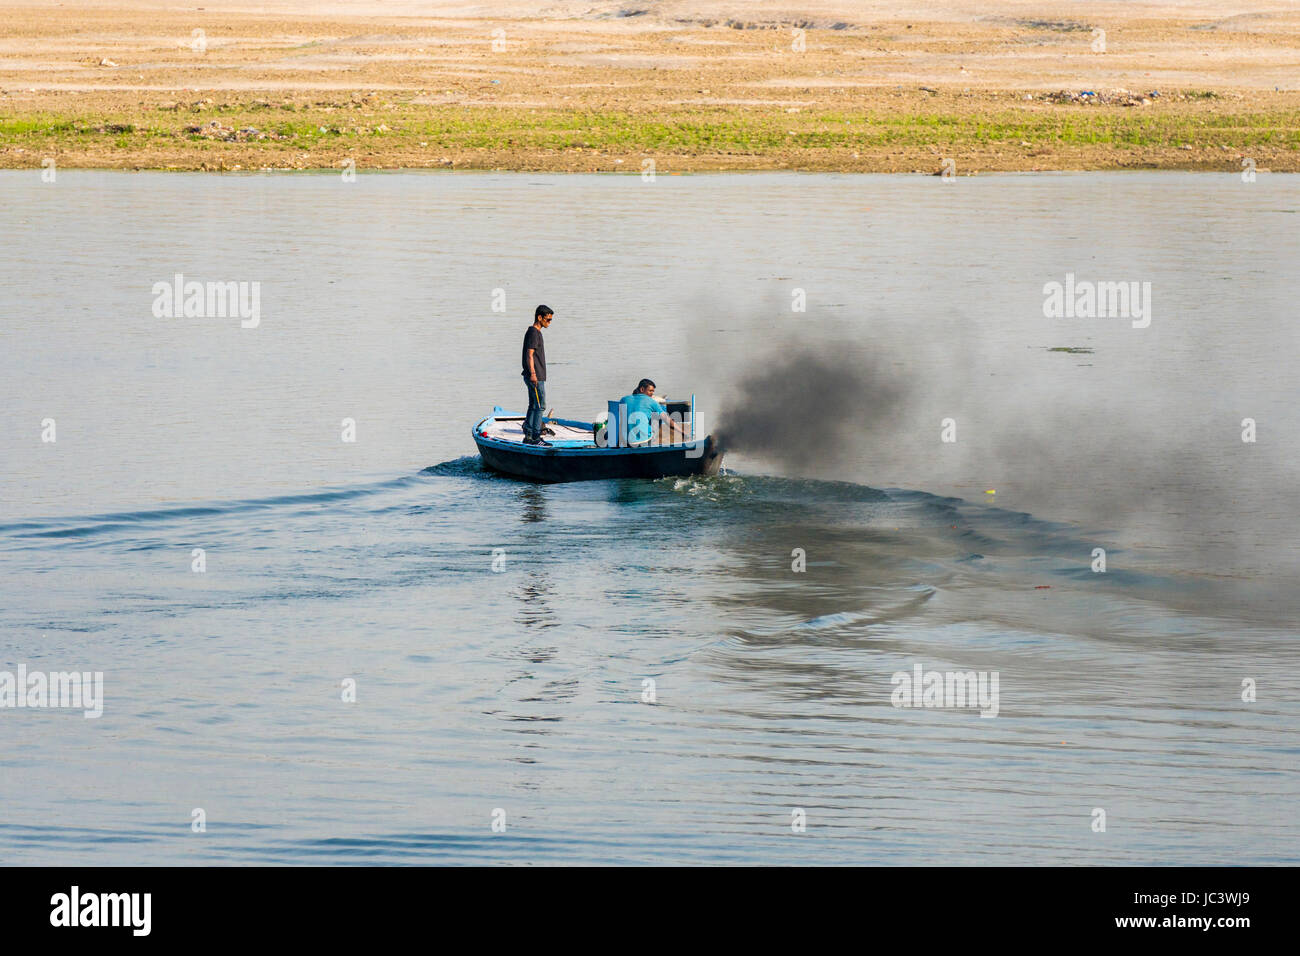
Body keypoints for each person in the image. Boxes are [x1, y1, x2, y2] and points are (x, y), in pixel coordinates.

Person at [617, 379, 689, 445]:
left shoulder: (624, 400)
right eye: (650, 391)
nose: (652, 393)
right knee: (658, 415)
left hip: (625, 441)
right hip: (643, 441)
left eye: (653, 391)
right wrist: (682, 432)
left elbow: (618, 419)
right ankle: (653, 442)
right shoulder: (651, 401)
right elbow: (667, 420)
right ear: (642, 389)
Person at [522, 305, 553, 446]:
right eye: (548, 319)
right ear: (539, 317)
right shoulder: (534, 333)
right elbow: (529, 355)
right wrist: (533, 374)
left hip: (535, 376)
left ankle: (528, 434)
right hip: (535, 377)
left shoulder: (534, 332)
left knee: (534, 404)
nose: (549, 322)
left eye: (551, 319)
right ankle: (535, 437)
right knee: (540, 406)